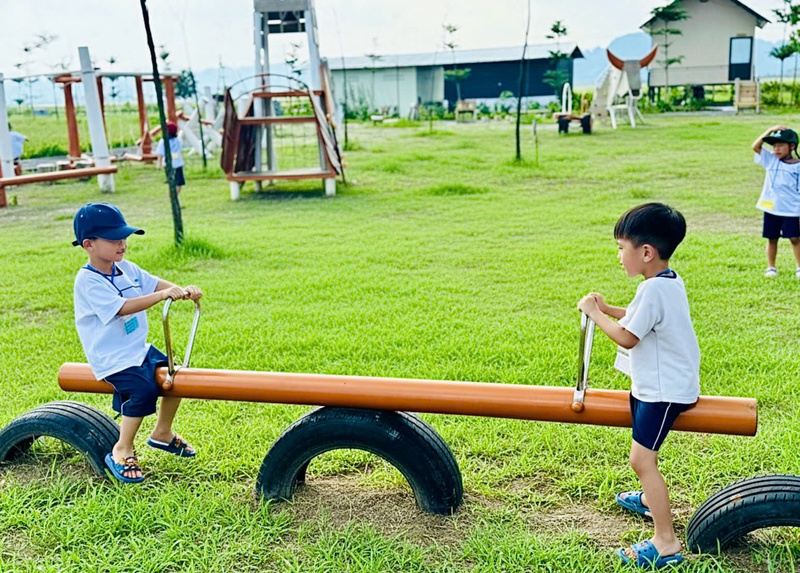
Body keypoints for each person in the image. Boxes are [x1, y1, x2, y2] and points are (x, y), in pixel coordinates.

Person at [577, 203, 699, 569]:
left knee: (642, 460)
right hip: (657, 385)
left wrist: (595, 314)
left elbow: (628, 337)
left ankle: (666, 542)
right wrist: (608, 307)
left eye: (620, 247)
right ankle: (649, 499)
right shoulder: (666, 282)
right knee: (643, 459)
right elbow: (636, 318)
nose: (618, 256)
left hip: (663, 393)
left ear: (645, 252)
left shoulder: (653, 292)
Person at [72, 203, 202, 483]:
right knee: (143, 390)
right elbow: (121, 308)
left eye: (124, 237)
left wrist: (181, 290)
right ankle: (122, 448)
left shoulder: (125, 268)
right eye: (113, 239)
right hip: (112, 358)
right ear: (88, 244)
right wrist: (163, 296)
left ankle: (162, 433)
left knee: (175, 375)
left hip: (136, 350)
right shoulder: (87, 280)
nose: (122, 243)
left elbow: (154, 284)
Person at [751, 125, 800, 278]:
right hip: (772, 208)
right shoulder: (771, 160)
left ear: (792, 146)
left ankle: (799, 267)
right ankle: (771, 267)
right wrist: (770, 130)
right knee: (772, 238)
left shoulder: (798, 166)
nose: (776, 149)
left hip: (792, 209)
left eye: (780, 145)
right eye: (774, 145)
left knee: (795, 238)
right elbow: (755, 146)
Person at [155, 120, 185, 196]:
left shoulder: (163, 141)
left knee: (172, 183)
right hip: (177, 163)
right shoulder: (177, 140)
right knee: (178, 183)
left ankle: (173, 198)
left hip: (169, 164)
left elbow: (160, 154)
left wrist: (159, 163)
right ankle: (174, 198)